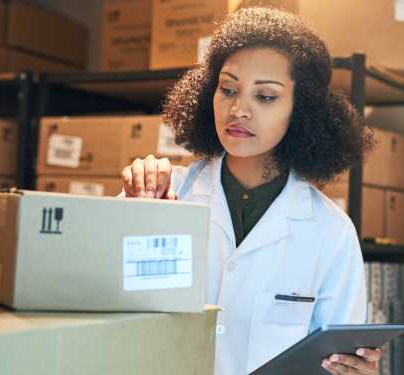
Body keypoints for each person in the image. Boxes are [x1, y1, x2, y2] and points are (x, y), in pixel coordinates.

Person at [120, 7, 379, 375]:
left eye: (266, 97)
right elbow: (98, 311)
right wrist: (131, 215)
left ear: (301, 110)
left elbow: (338, 358)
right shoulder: (162, 192)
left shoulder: (331, 233)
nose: (238, 109)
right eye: (227, 89)